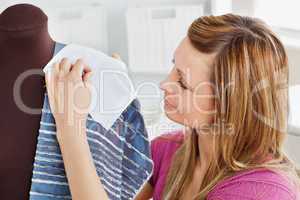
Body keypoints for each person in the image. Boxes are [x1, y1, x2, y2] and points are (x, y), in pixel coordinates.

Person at [45, 14, 300, 200]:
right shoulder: (167, 150)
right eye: (173, 66)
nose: (165, 83)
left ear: (228, 105)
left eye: (184, 82)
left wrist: (71, 129)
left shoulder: (263, 193)